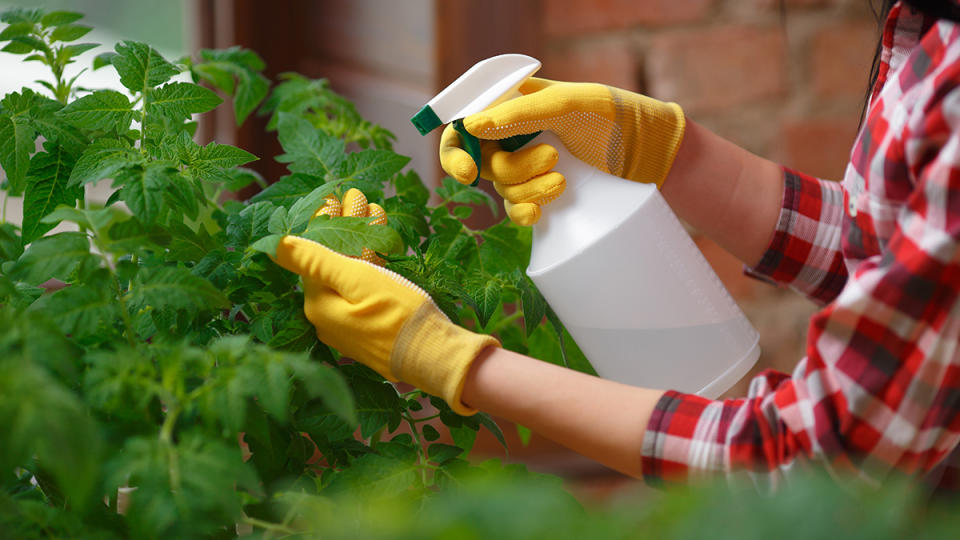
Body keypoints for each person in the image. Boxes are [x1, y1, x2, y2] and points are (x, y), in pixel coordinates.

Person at [273, 0, 960, 494]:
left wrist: (450, 360)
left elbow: (808, 463)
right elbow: (888, 255)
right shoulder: (928, 30)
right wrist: (666, 151)